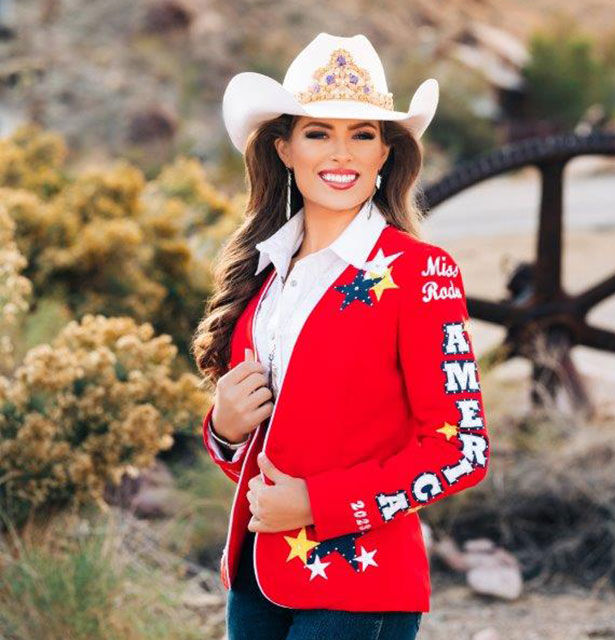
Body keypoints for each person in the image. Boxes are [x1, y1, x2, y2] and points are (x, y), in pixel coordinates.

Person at [191, 32, 491, 640]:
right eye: (319, 133)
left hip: (358, 584)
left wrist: (320, 506)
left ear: (385, 154)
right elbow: (272, 447)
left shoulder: (419, 272)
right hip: (255, 575)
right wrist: (223, 428)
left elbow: (462, 451)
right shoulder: (263, 273)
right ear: (284, 149)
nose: (342, 154)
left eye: (363, 134)